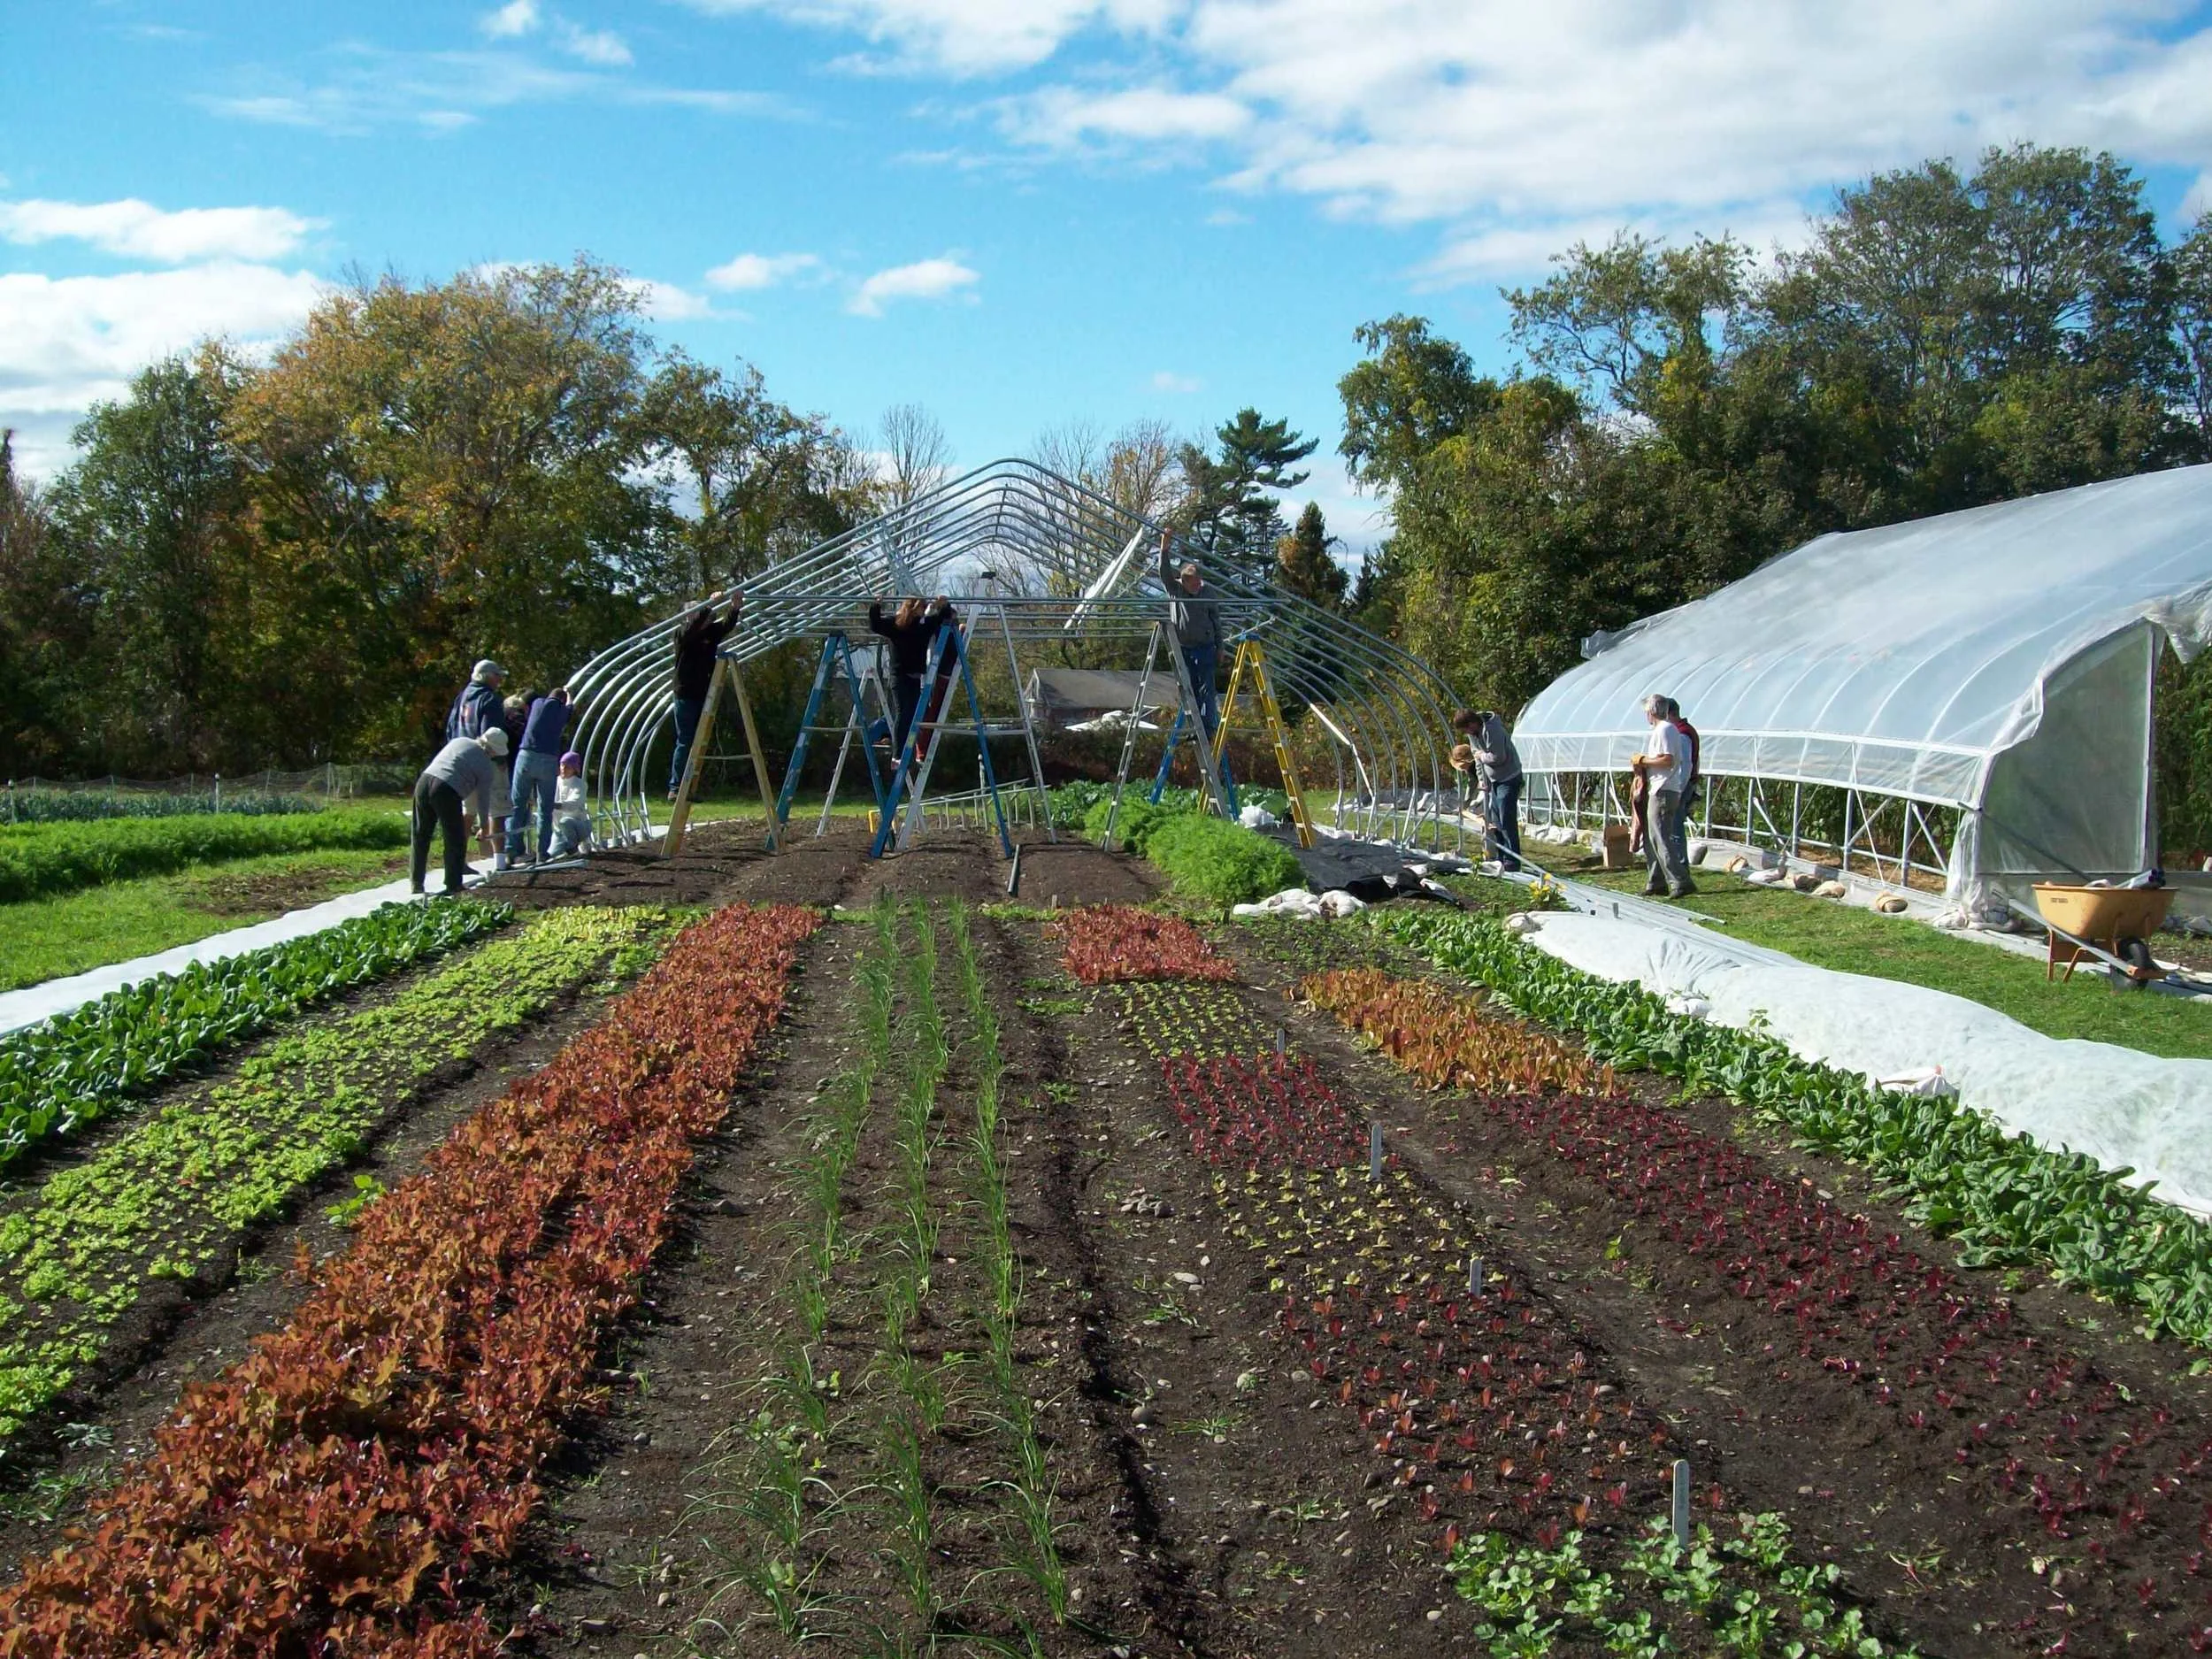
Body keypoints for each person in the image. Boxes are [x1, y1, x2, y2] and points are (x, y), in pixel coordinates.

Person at [412, 726, 507, 896]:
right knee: (454, 838)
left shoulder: (460, 741)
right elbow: (483, 799)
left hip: (424, 782)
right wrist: (484, 826)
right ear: (493, 750)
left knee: (421, 834)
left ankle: (416, 883)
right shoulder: (486, 765)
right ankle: (454, 884)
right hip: (446, 789)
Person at [669, 590, 742, 799]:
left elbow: (726, 625)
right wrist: (709, 606)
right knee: (686, 740)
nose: (707, 618)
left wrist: (735, 607)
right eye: (699, 614)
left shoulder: (710, 633)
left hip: (703, 693)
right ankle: (675, 787)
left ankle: (689, 785)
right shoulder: (683, 634)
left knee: (698, 741)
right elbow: (691, 632)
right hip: (685, 693)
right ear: (689, 616)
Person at [868, 595, 957, 757]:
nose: (923, 611)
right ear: (913, 607)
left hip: (915, 677)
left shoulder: (922, 626)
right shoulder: (896, 624)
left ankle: (908, 750)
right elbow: (875, 625)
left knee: (913, 714)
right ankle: (898, 754)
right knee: (904, 713)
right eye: (922, 607)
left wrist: (943, 604)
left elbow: (942, 618)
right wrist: (876, 605)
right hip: (900, 676)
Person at [1631, 693, 1695, 897]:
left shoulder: (1666, 730)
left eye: (1646, 712)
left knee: (1661, 837)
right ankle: (1656, 881)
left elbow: (1668, 760)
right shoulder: (1662, 730)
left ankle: (1680, 880)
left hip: (1664, 789)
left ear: (1652, 711)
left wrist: (1643, 761)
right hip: (1660, 788)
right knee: (1652, 838)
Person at [1157, 530, 1221, 733]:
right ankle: (1195, 727)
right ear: (1183, 582)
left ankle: (1207, 727)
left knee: (1207, 689)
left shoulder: (1208, 592)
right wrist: (1164, 548)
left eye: (1198, 583)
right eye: (1192, 584)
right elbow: (1164, 572)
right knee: (1190, 689)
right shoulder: (1176, 590)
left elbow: (1216, 621)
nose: (1196, 587)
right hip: (1184, 648)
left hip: (1205, 646)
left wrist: (1221, 646)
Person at [1453, 707, 1524, 869]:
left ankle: (1513, 861)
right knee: (1496, 821)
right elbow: (1477, 758)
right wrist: (1482, 780)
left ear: (1472, 724)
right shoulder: (1473, 734)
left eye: (1466, 730)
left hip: (1509, 777)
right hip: (1494, 780)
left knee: (1506, 819)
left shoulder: (1493, 730)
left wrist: (1481, 756)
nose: (1467, 734)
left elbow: (1498, 757)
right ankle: (1501, 857)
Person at [507, 687, 571, 864]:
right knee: (545, 808)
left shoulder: (536, 703)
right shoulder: (563, 712)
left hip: (526, 756)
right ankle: (542, 853)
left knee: (517, 805)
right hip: (549, 760)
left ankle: (512, 850)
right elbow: (570, 705)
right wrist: (568, 694)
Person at [547, 749, 594, 859]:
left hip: (580, 826)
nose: (563, 769)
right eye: (562, 765)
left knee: (566, 821)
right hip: (559, 830)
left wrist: (551, 805)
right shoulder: (554, 782)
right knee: (552, 854)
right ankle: (567, 845)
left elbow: (573, 805)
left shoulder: (580, 784)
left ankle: (576, 846)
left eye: (567, 766)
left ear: (574, 769)